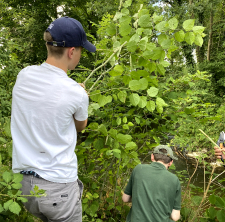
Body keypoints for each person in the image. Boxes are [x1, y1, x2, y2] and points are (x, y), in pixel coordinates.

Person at [11, 16, 96, 222]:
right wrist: (80, 94)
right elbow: (80, 126)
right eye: (82, 51)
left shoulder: (24, 75)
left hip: (23, 186)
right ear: (72, 51)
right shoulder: (76, 93)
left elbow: (43, 104)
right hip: (58, 188)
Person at [122, 145, 181, 222]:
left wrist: (141, 199)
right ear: (171, 162)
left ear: (152, 157)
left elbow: (125, 199)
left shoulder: (139, 169)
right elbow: (175, 216)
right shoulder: (174, 180)